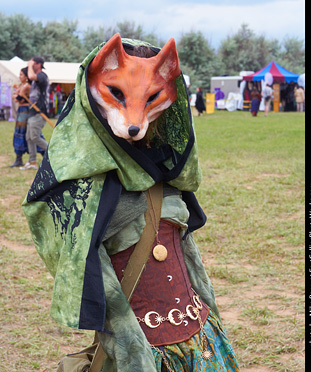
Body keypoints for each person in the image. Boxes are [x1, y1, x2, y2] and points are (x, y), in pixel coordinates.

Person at [22, 35, 240, 372]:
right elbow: (104, 294)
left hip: (199, 341)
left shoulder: (165, 168)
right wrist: (136, 359)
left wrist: (213, 320)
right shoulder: (76, 193)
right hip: (138, 352)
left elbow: (188, 256)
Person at [20, 56, 49, 170]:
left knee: (35, 137)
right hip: (33, 111)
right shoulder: (34, 80)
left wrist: (29, 64)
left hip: (40, 111)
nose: (31, 66)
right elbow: (28, 78)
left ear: (38, 64)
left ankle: (53, 153)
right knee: (29, 137)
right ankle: (32, 162)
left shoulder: (42, 75)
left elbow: (31, 75)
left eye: (33, 64)